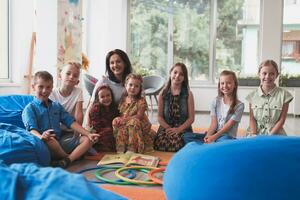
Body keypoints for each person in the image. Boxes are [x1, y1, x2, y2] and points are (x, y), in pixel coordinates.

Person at [22, 71, 99, 168]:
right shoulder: (29, 109)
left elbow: (71, 122)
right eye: (41, 87)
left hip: (60, 142)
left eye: (48, 87)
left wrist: (88, 133)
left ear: (52, 88)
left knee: (88, 139)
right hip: (44, 144)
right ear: (33, 87)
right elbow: (31, 130)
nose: (45, 91)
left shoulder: (56, 106)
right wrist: (41, 136)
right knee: (50, 139)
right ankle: (69, 157)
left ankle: (67, 160)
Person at [183, 70, 244, 144]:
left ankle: (212, 145)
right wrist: (207, 137)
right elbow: (213, 124)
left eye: (229, 83)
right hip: (214, 134)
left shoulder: (240, 106)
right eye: (222, 83)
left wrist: (214, 137)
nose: (225, 86)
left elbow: (228, 126)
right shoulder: (215, 101)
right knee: (186, 136)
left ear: (235, 85)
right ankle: (211, 145)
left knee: (224, 142)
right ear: (219, 85)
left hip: (226, 137)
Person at [84, 49, 132, 126]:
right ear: (109, 66)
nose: (115, 65)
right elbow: (91, 104)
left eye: (118, 61)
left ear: (125, 63)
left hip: (123, 119)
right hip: (102, 121)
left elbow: (138, 102)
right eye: (112, 63)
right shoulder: (103, 81)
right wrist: (87, 126)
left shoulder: (131, 82)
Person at [154, 63, 195, 152]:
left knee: (181, 145)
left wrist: (178, 129)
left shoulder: (188, 94)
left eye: (181, 74)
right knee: (159, 144)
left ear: (184, 78)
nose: (177, 76)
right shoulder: (163, 94)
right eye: (175, 72)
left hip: (183, 128)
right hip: (167, 128)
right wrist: (168, 129)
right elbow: (159, 117)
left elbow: (191, 118)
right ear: (170, 73)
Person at [246, 59, 293, 135]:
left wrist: (269, 137)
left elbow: (281, 120)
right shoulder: (252, 95)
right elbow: (252, 119)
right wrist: (254, 135)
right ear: (259, 74)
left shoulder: (284, 95)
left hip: (275, 133)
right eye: (264, 73)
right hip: (255, 133)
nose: (267, 76)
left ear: (277, 75)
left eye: (272, 74)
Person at [112, 73, 155, 153]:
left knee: (133, 122)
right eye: (130, 85)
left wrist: (124, 119)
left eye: (136, 86)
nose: (133, 88)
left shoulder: (141, 101)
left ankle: (132, 147)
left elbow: (139, 116)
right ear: (125, 85)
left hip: (138, 124)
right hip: (126, 122)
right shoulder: (123, 100)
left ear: (140, 88)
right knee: (115, 121)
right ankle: (121, 147)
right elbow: (122, 114)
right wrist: (119, 119)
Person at [87, 85, 119, 152]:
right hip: (98, 132)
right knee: (109, 133)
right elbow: (96, 127)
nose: (106, 98)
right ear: (98, 99)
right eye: (102, 97)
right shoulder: (95, 109)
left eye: (108, 95)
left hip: (112, 130)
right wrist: (111, 129)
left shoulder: (114, 107)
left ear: (111, 96)